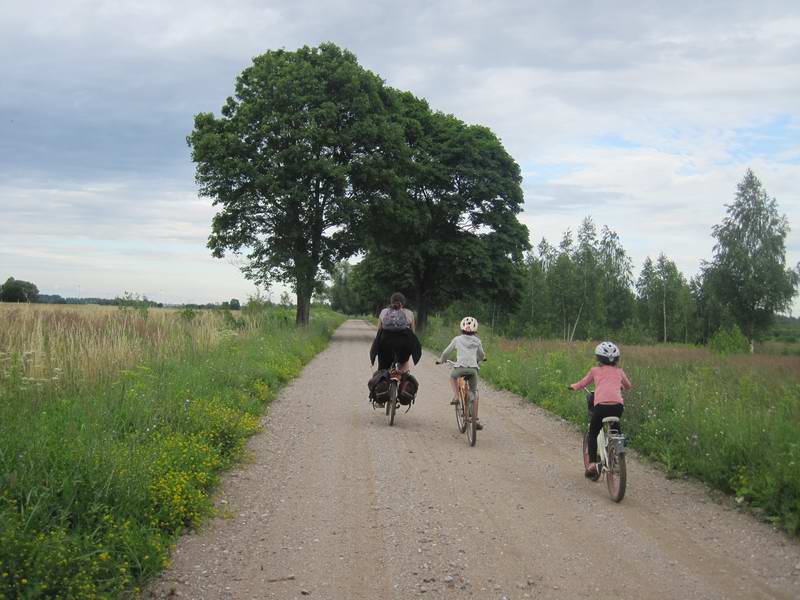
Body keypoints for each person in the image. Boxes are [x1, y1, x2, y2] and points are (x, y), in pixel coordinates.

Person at [568, 341, 631, 480]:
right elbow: (628, 386)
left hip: (601, 407)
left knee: (593, 432)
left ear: (598, 358)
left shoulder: (595, 371)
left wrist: (573, 386)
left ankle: (591, 464)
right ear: (617, 359)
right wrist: (619, 386)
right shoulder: (620, 371)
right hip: (617, 407)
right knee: (615, 424)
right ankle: (619, 445)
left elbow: (583, 383)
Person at [435, 316, 486, 429]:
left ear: (461, 327)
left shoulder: (457, 339)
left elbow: (446, 352)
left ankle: (456, 396)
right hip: (473, 369)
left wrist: (441, 360)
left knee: (452, 377)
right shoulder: (477, 341)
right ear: (475, 329)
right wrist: (483, 358)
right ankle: (473, 415)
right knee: (473, 392)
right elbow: (481, 355)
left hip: (460, 368)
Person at [369, 292, 421, 373]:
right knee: (404, 368)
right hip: (403, 346)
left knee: (382, 370)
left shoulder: (384, 312)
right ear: (403, 303)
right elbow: (412, 333)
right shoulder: (409, 313)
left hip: (386, 344)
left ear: (391, 302)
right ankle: (404, 379)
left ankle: (383, 379)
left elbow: (379, 331)